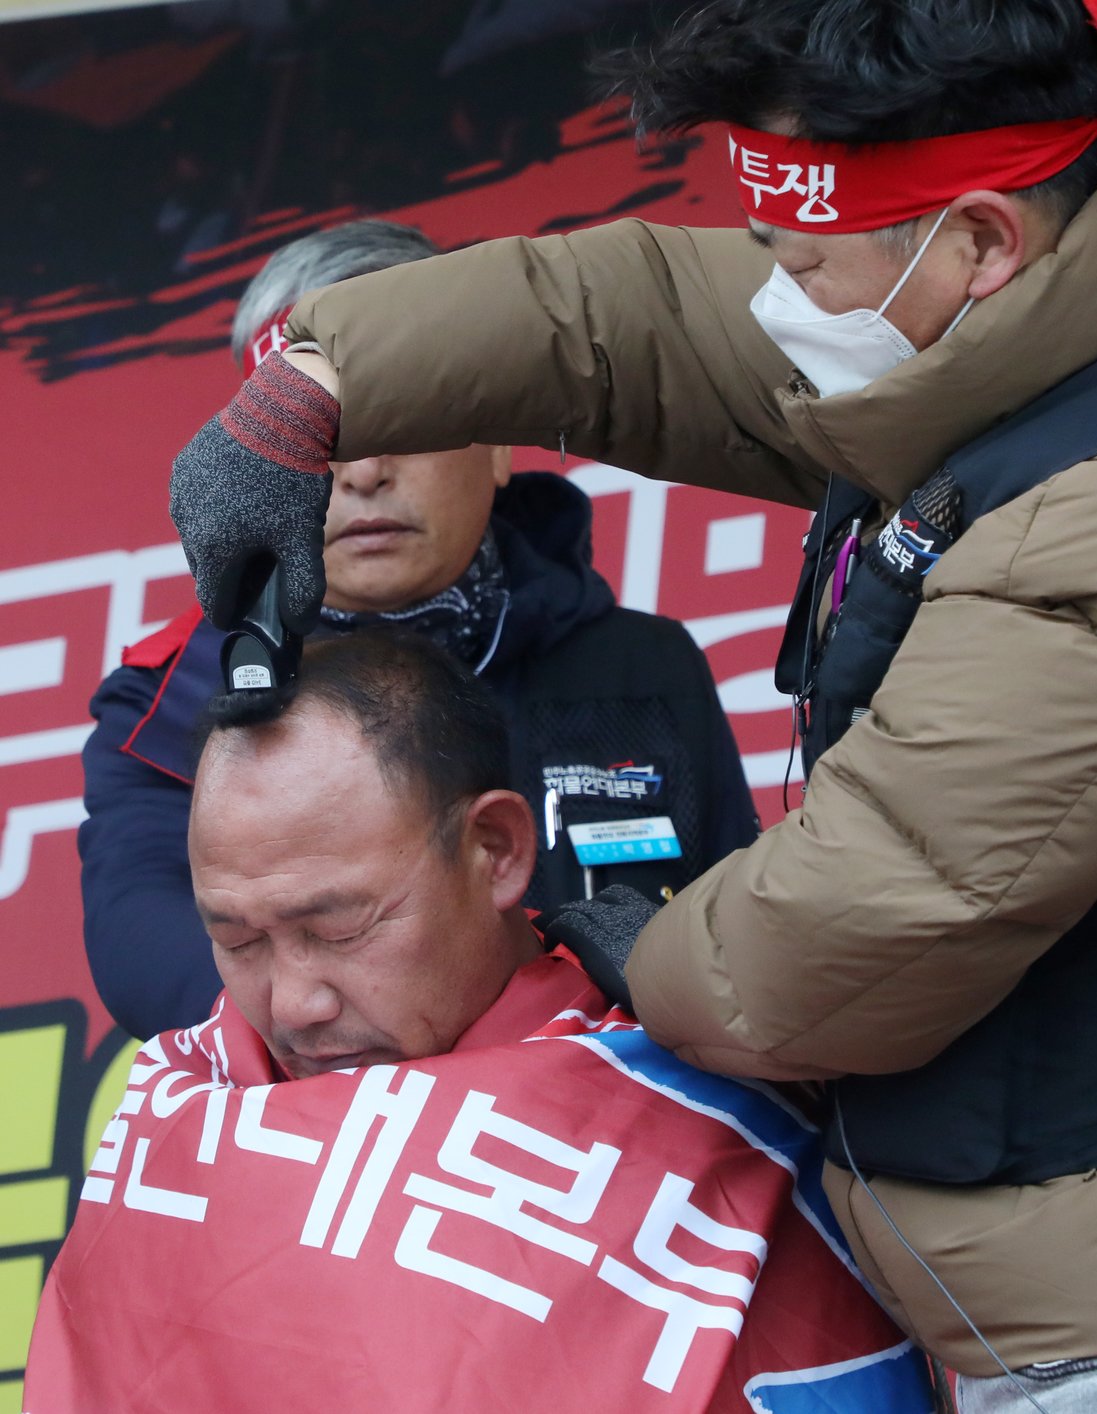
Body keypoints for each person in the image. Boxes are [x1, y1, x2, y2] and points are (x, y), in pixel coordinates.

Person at [167, 0, 1097, 1404]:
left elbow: (825, 956)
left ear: (983, 241)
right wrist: (318, 385)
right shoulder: (1015, 316)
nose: (770, 297)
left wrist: (638, 959)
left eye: (800, 260)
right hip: (1073, 1267)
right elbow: (619, 317)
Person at [28, 633, 931, 1413]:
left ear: (497, 850)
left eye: (338, 927)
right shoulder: (184, 1116)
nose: (295, 1004)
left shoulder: (702, 1086)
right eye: (238, 941)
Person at [81, 218, 757, 1042]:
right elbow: (145, 954)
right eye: (319, 436)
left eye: (399, 423)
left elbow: (736, 936)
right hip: (334, 1137)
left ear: (502, 443)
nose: (364, 471)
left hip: (627, 1140)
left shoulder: (641, 663)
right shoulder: (176, 697)